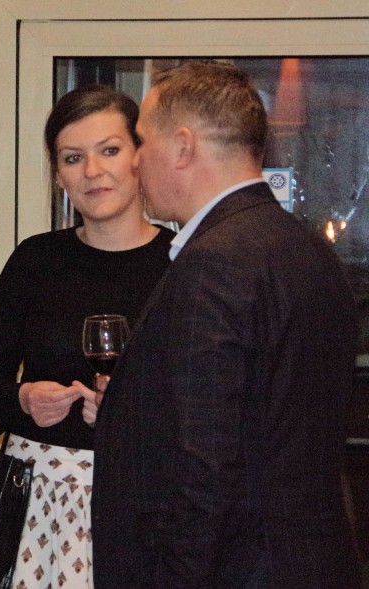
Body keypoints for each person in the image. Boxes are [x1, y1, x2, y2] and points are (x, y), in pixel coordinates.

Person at [91, 61, 361, 588]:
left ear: (183, 146)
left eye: (142, 141)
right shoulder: (311, 252)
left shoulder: (212, 264)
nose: (136, 160)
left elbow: (203, 469)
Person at [0, 85, 174, 588]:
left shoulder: (181, 265)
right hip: (36, 502)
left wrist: (128, 414)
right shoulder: (35, 260)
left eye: (110, 150)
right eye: (73, 158)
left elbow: (208, 405)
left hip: (146, 500)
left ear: (139, 157)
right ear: (58, 175)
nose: (93, 172)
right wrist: (23, 399)